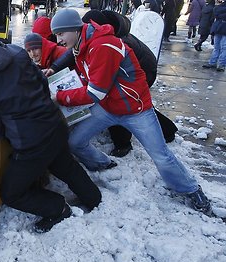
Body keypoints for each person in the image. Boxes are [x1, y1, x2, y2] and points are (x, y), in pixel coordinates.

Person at [0, 21, 102, 233]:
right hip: (54, 122)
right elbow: (42, 84)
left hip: (31, 142)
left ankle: (58, 209)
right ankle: (95, 200)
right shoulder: (14, 51)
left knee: (11, 193)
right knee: (64, 164)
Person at [50, 8, 212, 215]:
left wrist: (60, 97)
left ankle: (191, 190)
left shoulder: (102, 46)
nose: (58, 39)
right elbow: (90, 79)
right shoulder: (81, 45)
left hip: (135, 109)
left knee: (161, 155)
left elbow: (94, 93)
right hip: (109, 106)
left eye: (61, 33)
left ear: (74, 29)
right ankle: (104, 164)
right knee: (75, 142)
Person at [46, 10, 178, 157]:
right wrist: (54, 68)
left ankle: (124, 143)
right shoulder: (92, 38)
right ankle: (166, 130)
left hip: (144, 70)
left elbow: (98, 91)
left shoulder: (107, 43)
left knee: (125, 102)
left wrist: (62, 96)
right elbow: (73, 53)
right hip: (129, 73)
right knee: (117, 101)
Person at [202, 0, 226, 71]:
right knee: (219, 46)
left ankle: (218, 64)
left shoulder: (221, 5)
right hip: (219, 27)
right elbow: (215, 11)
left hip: (218, 27)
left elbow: (216, 12)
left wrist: (220, 14)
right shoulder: (221, 5)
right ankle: (216, 63)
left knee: (222, 47)